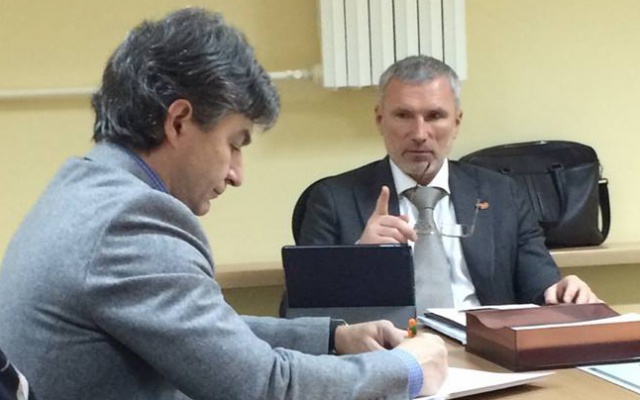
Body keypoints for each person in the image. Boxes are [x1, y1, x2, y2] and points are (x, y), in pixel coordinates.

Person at [0, 9, 447, 400]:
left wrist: (333, 337)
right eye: (234, 144)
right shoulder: (132, 222)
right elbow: (262, 387)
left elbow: (208, 337)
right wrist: (405, 369)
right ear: (179, 121)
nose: (237, 174)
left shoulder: (84, 185)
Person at [297, 55, 600, 308]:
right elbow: (300, 314)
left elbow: (540, 287)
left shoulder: (502, 193)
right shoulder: (333, 199)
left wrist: (563, 291)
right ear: (380, 119)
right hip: (389, 350)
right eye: (403, 115)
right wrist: (356, 262)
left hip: (484, 347)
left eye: (435, 116)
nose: (419, 134)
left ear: (456, 121)